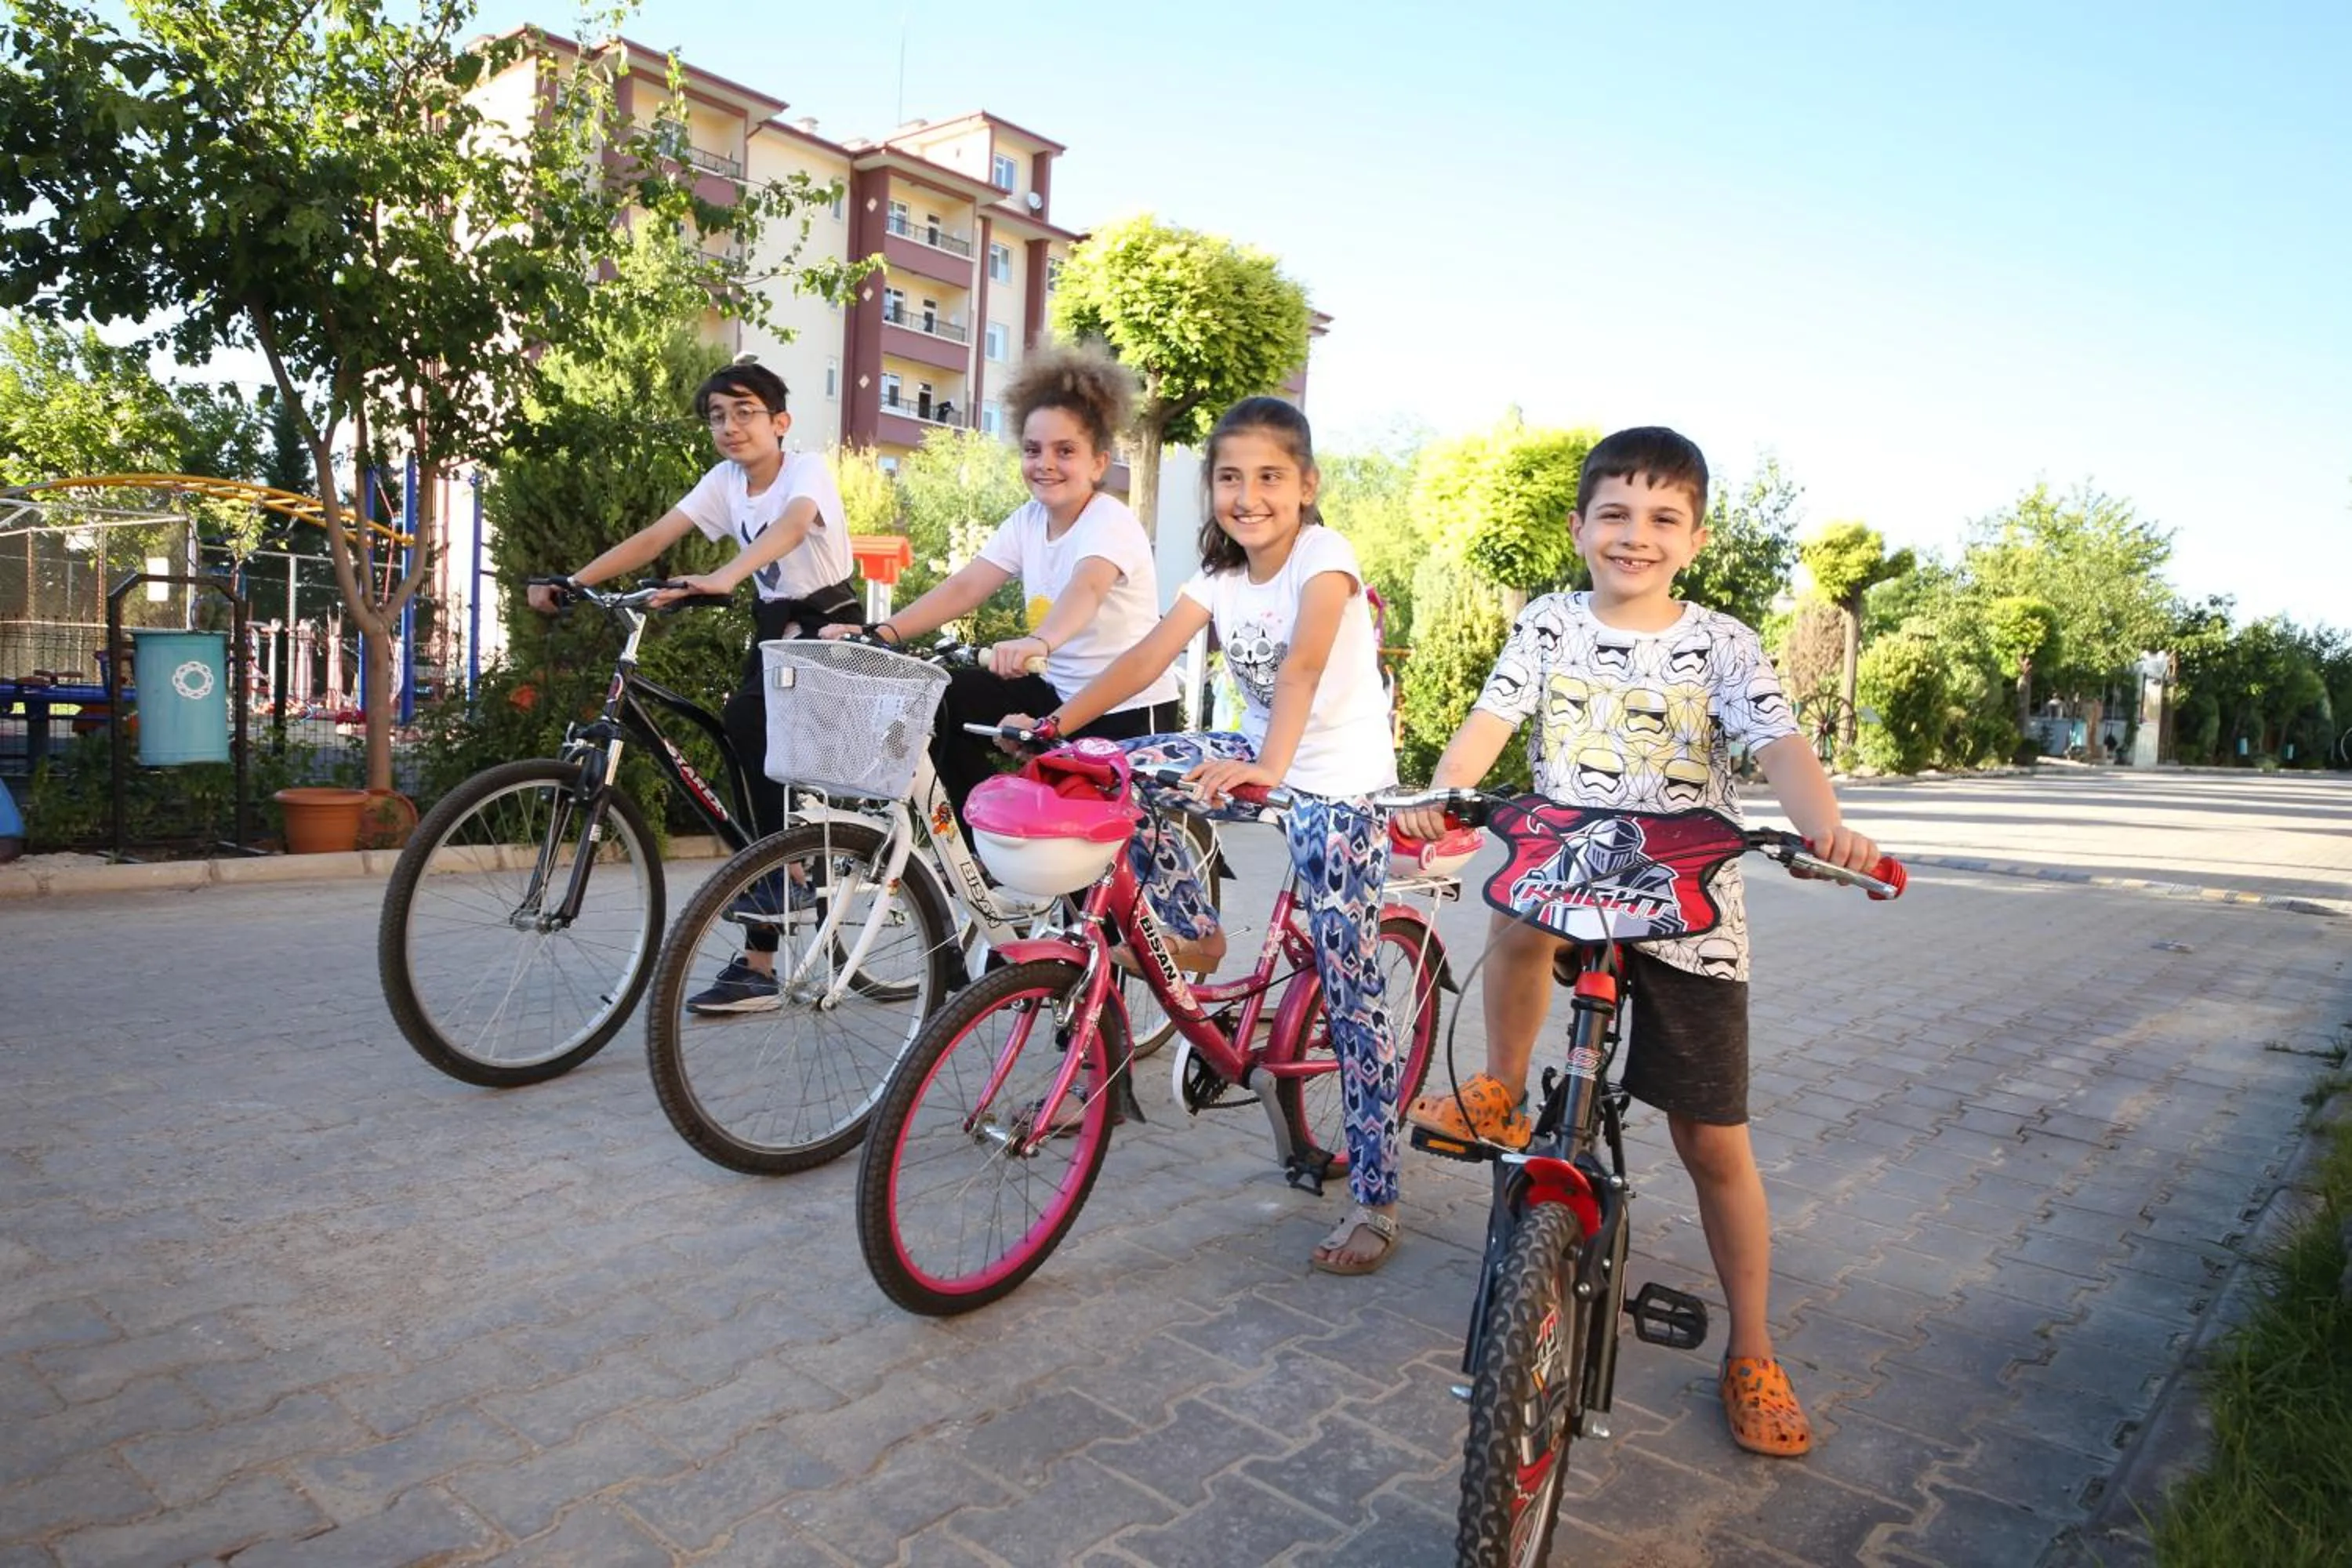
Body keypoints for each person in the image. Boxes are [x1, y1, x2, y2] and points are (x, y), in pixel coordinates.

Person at [1392, 426, 1882, 1458]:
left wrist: (1825, 822)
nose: (1635, 534)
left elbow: (1779, 745)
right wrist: (1448, 795)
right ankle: (1502, 1083)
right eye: (1615, 513)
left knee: (1711, 1141)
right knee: (1514, 900)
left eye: (1663, 518)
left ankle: (1750, 1346)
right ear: (1580, 528)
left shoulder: (1726, 645)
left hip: (1685, 896)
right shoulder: (1548, 626)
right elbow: (1491, 722)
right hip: (1569, 867)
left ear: (1695, 539)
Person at [1010, 396, 1406, 1276]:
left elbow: (1302, 665)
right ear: (1212, 488)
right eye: (1231, 477)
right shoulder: (1219, 577)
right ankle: (1197, 930)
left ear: (1306, 486)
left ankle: (1376, 1195)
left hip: (1339, 780)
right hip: (1262, 753)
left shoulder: (1324, 556)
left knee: (1350, 985)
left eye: (1270, 476)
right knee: (1116, 768)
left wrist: (1268, 763)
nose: (1249, 494)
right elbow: (1149, 656)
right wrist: (1057, 725)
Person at [527, 357, 856, 1014]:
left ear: (779, 422)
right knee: (740, 754)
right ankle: (762, 955)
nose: (730, 428)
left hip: (830, 627)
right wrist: (576, 581)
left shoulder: (804, 469)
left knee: (746, 725)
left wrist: (726, 576)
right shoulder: (724, 482)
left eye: (745, 413)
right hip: (773, 631)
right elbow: (654, 538)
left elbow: (793, 527)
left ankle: (785, 880)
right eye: (716, 417)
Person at [822, 343, 1179, 821]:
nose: (1045, 463)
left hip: (1125, 707)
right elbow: (967, 587)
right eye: (1033, 450)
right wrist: (880, 634)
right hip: (1057, 692)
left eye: (1066, 451)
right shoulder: (1028, 520)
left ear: (1099, 463)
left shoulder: (1108, 522)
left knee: (1087, 853)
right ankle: (981, 843)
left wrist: (1040, 640)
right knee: (947, 699)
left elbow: (1088, 587)